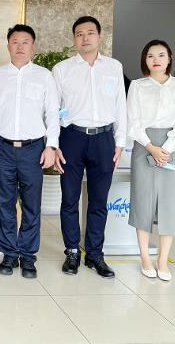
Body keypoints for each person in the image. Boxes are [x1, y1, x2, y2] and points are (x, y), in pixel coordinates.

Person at [0, 24, 59, 279]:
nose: (20, 46)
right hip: (2, 148)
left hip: (33, 149)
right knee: (6, 204)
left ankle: (28, 256)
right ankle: (10, 254)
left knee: (32, 205)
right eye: (15, 42)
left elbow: (53, 114)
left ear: (33, 46)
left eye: (25, 42)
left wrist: (51, 145)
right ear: (8, 46)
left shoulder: (44, 76)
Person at [53, 16, 127, 278]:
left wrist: (120, 142)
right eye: (80, 34)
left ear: (99, 36)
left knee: (99, 201)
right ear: (74, 39)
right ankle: (72, 251)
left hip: (104, 140)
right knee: (69, 199)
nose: (85, 38)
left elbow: (120, 106)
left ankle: (95, 254)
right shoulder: (62, 69)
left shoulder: (114, 67)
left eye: (90, 33)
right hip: (72, 138)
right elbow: (54, 109)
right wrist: (54, 144)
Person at [127, 39, 175, 281]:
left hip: (173, 146)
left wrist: (165, 149)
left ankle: (162, 260)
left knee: (171, 204)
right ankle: (145, 257)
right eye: (150, 56)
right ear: (144, 60)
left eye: (161, 55)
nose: (156, 60)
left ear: (170, 58)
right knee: (142, 202)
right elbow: (132, 121)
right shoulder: (137, 86)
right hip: (144, 145)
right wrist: (151, 148)